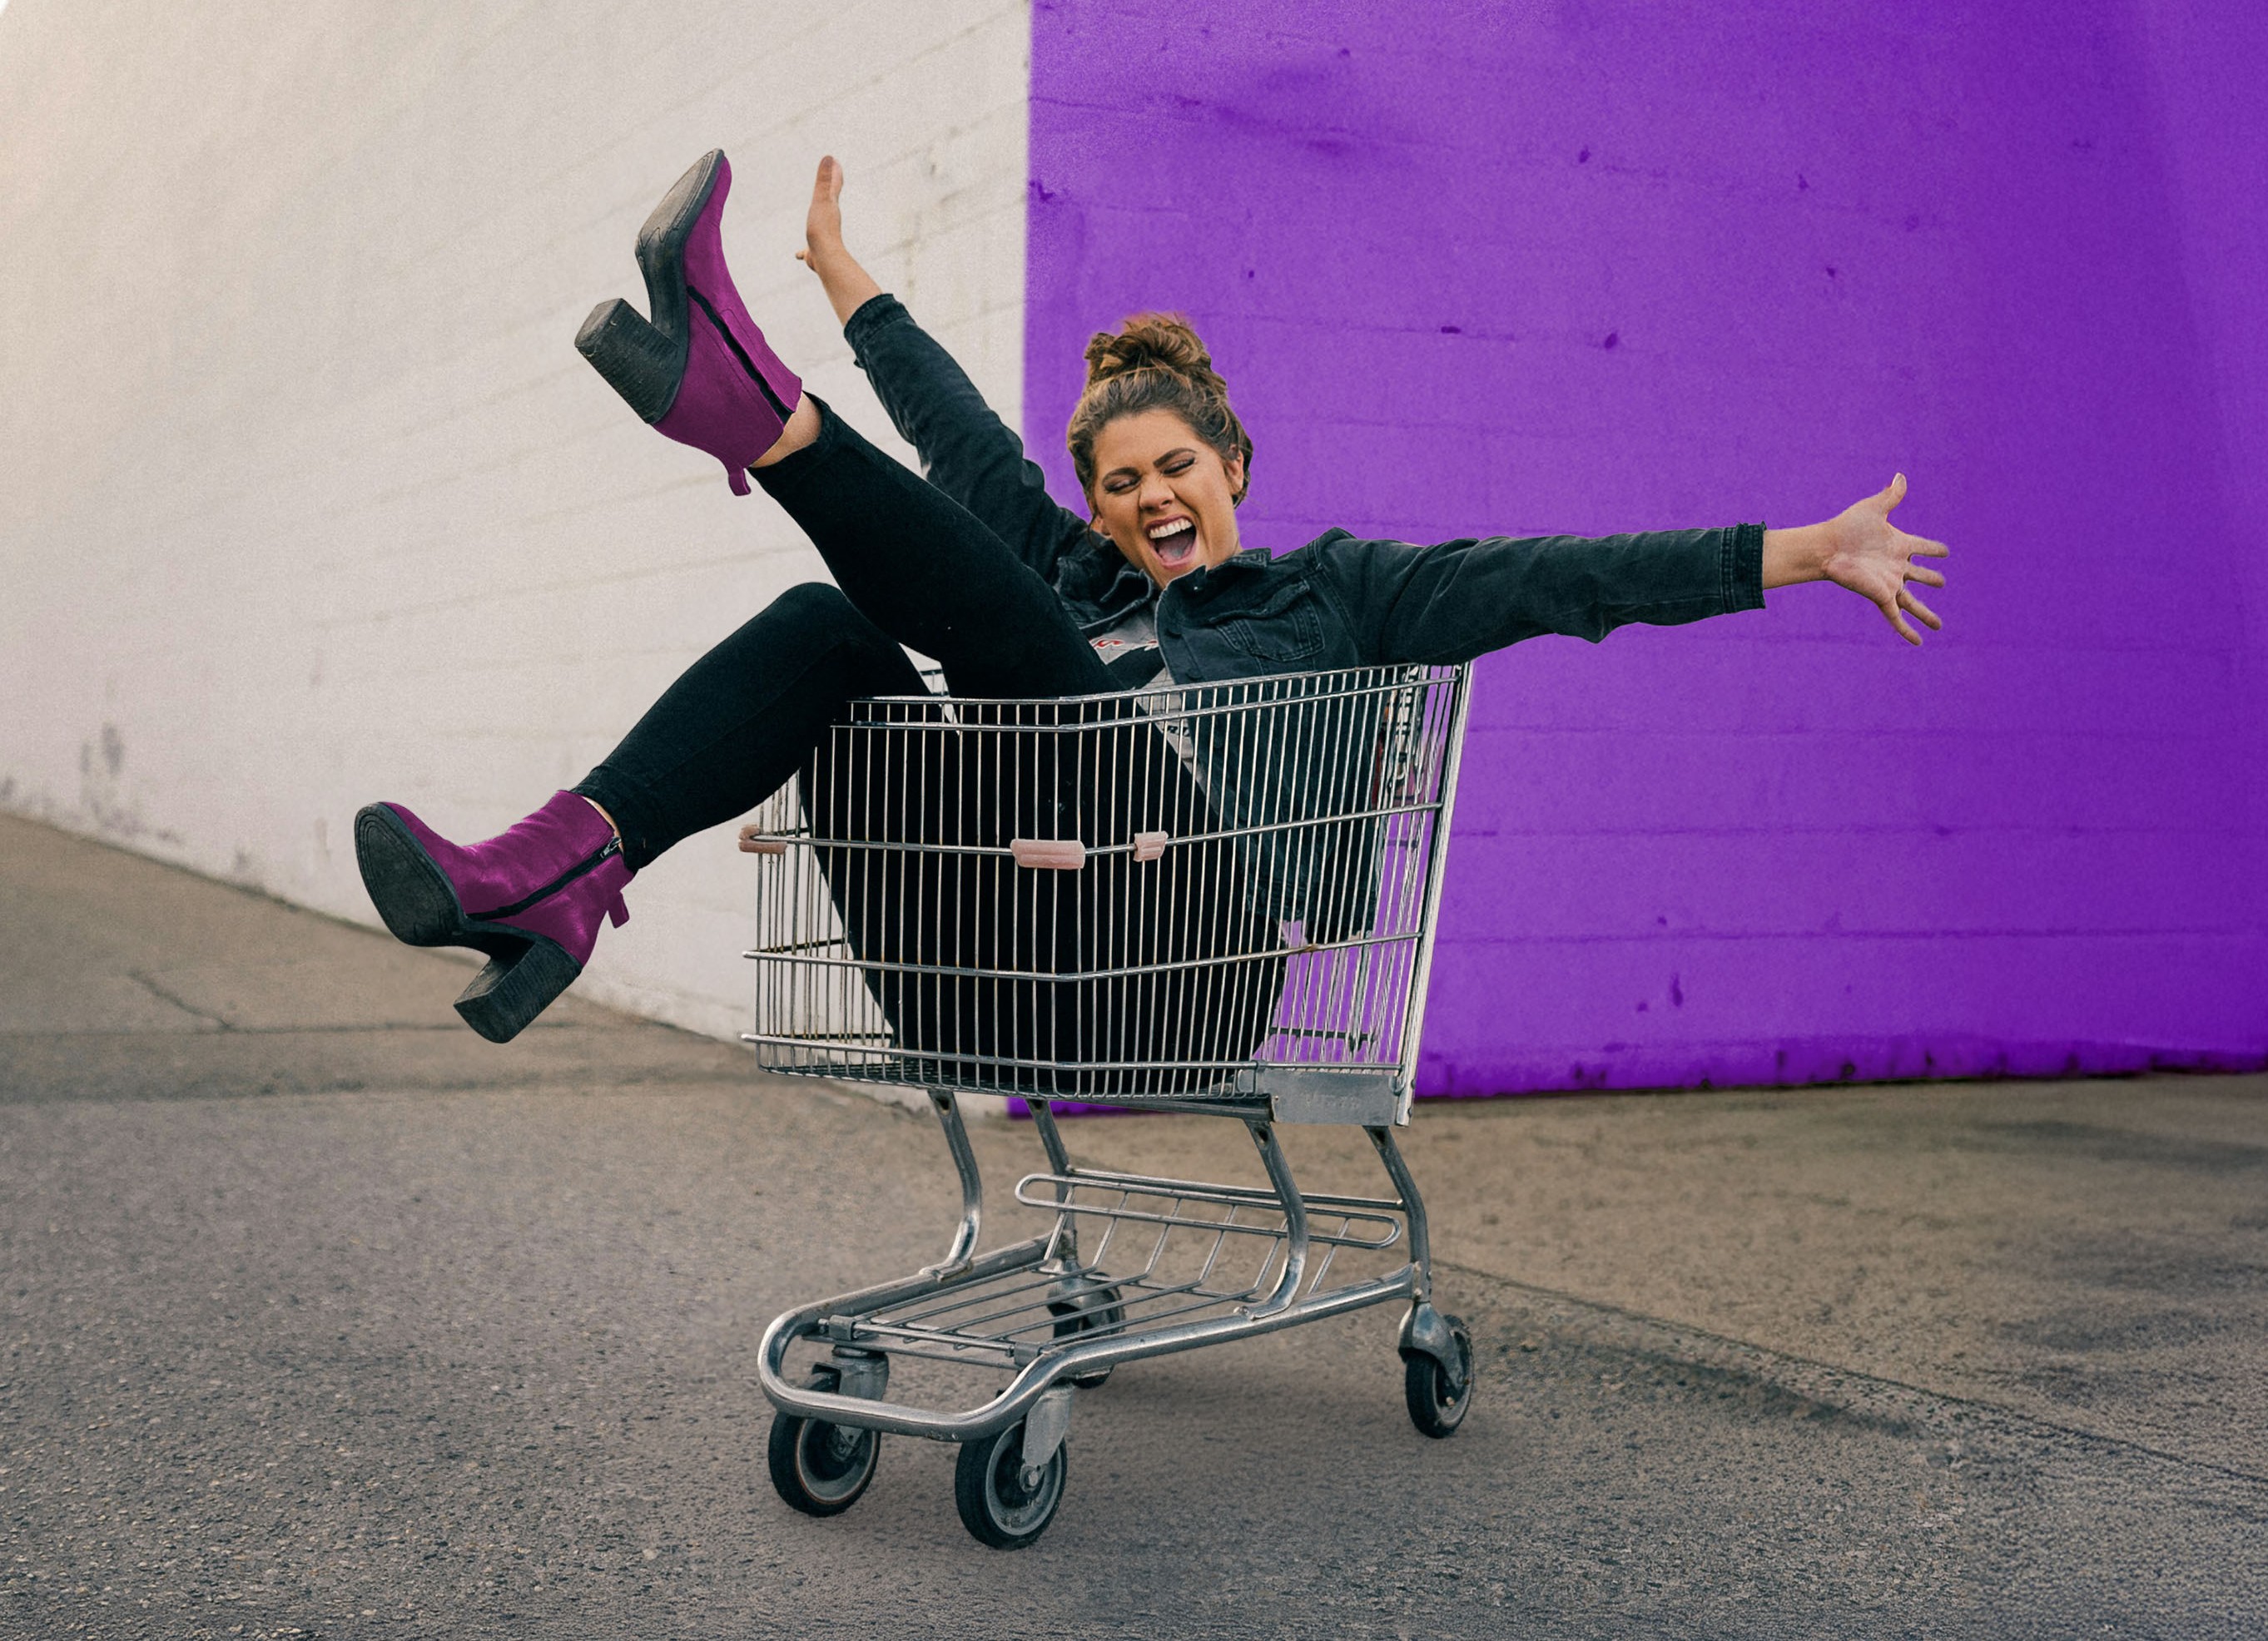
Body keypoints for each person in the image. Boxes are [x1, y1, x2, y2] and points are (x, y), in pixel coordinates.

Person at [354, 151, 1948, 1066]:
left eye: (1174, 468)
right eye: (1117, 484)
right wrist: (845, 276)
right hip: (982, 957)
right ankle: (562, 873)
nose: (1146, 500)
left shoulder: (1335, 594)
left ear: (1230, 466)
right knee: (827, 628)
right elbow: (959, 441)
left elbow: (1560, 579)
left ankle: (755, 414)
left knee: (1029, 657)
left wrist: (1803, 549)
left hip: (1183, 970)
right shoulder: (1069, 576)